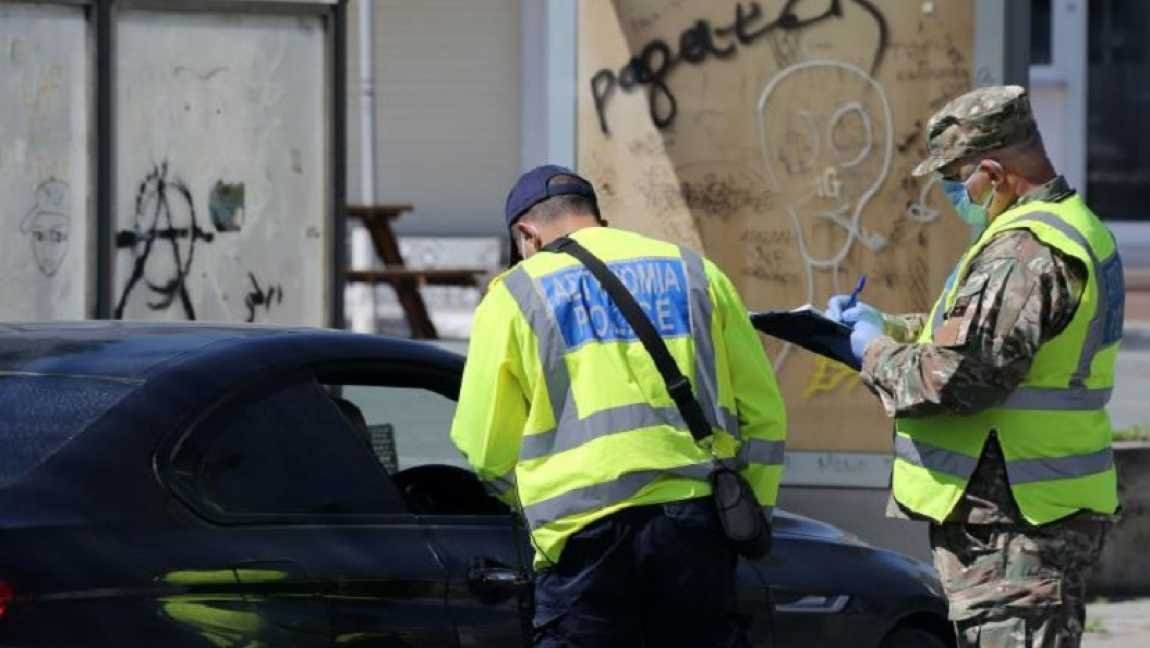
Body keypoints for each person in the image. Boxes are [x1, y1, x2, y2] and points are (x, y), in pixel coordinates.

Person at [827, 86, 1123, 648]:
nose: (951, 193)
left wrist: (869, 351)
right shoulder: (1064, 225)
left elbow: (960, 379)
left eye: (954, 178)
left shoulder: (1024, 250)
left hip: (1015, 527)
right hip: (1031, 517)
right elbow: (986, 337)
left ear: (992, 172)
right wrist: (888, 326)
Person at [449, 165, 787, 647]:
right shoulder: (696, 272)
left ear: (527, 234)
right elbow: (764, 414)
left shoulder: (514, 295)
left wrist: (534, 508)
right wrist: (748, 517)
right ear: (594, 216)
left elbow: (483, 446)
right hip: (695, 527)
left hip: (584, 540)